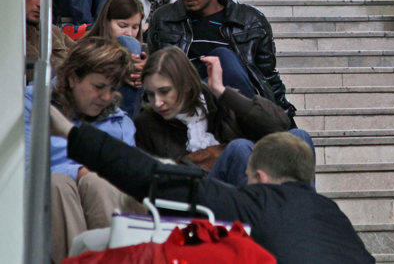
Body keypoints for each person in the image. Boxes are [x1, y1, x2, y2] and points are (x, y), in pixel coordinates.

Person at [50, 109, 376, 264]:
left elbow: (149, 175)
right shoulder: (332, 215)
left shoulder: (255, 202)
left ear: (259, 178)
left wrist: (69, 131)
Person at [147, 0, 296, 118]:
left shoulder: (250, 21)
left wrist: (286, 121)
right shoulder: (164, 19)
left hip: (237, 107)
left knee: (298, 137)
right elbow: (155, 73)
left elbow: (267, 78)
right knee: (222, 57)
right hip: (186, 107)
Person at [24, 36, 135, 263]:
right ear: (73, 78)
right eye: (99, 87)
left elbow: (131, 180)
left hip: (98, 194)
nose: (106, 97)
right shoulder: (31, 104)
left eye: (113, 89)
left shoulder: (120, 122)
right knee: (57, 183)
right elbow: (23, 169)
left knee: (97, 182)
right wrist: (78, 171)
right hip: (42, 200)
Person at [135, 47, 303, 187]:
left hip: (246, 187)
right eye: (150, 94)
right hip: (197, 198)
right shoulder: (146, 124)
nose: (157, 103)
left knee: (299, 137)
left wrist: (222, 92)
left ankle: (307, 219)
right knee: (239, 147)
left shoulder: (220, 103)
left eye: (164, 91)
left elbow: (280, 124)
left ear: (186, 84)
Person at [86, 0, 147, 118]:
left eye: (135, 27)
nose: (129, 33)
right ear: (106, 22)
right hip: (96, 116)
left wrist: (147, 72)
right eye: (122, 25)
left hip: (135, 117)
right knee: (129, 44)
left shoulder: (143, 52)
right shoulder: (86, 49)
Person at [24, 0, 75, 81]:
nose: (40, 3)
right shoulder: (12, 35)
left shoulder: (53, 30)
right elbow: (40, 74)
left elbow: (83, 53)